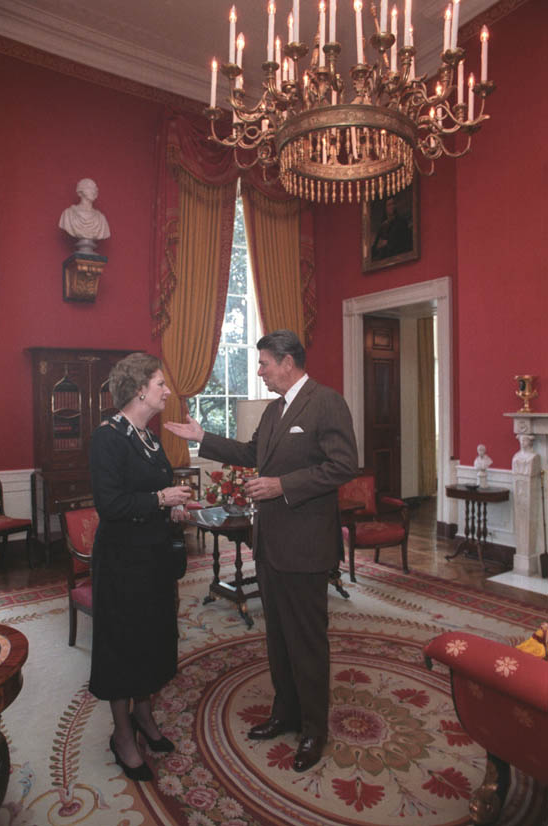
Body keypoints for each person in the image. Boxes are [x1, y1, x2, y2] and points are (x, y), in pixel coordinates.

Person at [165, 329, 358, 773]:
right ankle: (285, 712)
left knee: (307, 640)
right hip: (270, 544)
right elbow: (253, 452)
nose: (259, 371)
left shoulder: (326, 402)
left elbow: (343, 464)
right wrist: (203, 436)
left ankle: (314, 729)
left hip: (307, 547)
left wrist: (281, 485)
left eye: (264, 363)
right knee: (278, 637)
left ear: (288, 362)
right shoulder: (275, 410)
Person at [89, 352, 191, 781]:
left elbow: (152, 491)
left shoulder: (148, 436)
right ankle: (123, 734)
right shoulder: (108, 437)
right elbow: (110, 505)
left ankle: (146, 718)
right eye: (161, 384)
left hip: (153, 558)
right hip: (122, 563)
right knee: (124, 646)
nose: (167, 390)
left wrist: (172, 508)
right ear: (138, 390)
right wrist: (161, 500)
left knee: (152, 639)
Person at [59, 178, 110, 247]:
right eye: (89, 188)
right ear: (80, 192)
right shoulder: (68, 214)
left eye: (95, 188)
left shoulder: (101, 218)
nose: (94, 191)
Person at [371, 196, 412, 261]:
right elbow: (377, 244)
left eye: (393, 204)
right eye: (389, 205)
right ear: (385, 208)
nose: (392, 207)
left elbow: (403, 240)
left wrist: (387, 242)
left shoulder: (401, 222)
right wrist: (377, 247)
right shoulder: (382, 226)